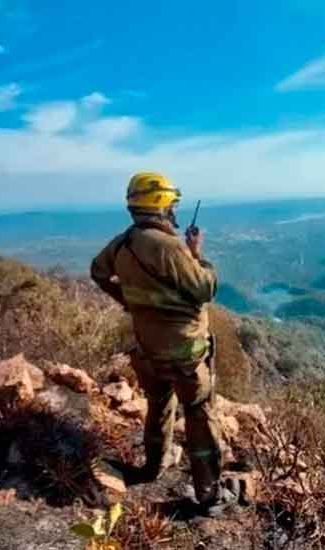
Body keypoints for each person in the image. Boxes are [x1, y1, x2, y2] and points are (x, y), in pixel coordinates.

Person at [90, 171, 226, 512]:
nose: (174, 210)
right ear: (161, 204)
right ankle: (209, 495)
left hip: (147, 348)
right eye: (172, 204)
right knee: (199, 413)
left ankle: (154, 466)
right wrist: (197, 254)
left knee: (158, 403)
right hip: (186, 351)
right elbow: (205, 289)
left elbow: (98, 272)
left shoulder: (122, 243)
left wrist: (129, 301)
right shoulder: (170, 247)